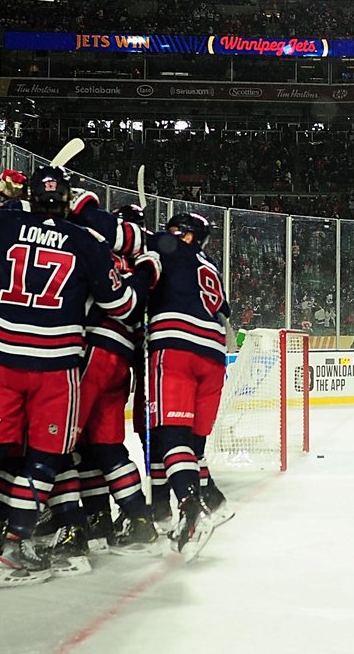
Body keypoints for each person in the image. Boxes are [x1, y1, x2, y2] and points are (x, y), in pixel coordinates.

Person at [0, 162, 161, 594]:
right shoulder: (84, 242)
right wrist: (148, 269)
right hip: (55, 367)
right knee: (44, 460)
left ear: (32, 198)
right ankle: (12, 549)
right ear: (68, 201)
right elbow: (125, 305)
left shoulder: (1, 224)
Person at [145, 212, 230, 561]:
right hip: (214, 354)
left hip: (178, 346)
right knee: (193, 443)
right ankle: (215, 500)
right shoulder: (211, 265)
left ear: (188, 236)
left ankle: (192, 512)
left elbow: (131, 240)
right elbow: (222, 306)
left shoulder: (172, 249)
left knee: (171, 437)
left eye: (174, 231)